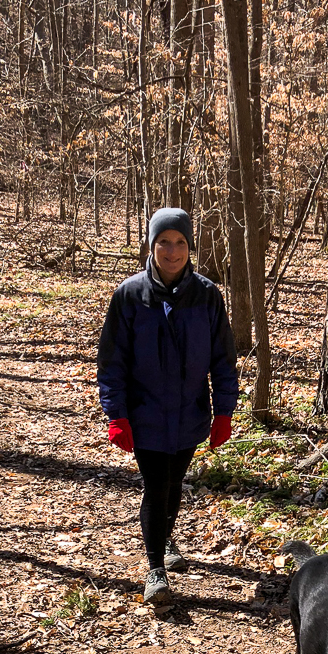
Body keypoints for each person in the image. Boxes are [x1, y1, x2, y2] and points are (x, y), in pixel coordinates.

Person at [97, 208, 239, 603]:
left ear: (190, 246)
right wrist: (117, 414)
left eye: (179, 242)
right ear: (151, 244)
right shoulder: (130, 295)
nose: (172, 251)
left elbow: (222, 359)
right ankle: (156, 566)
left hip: (191, 413)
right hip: (145, 416)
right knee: (156, 485)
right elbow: (112, 361)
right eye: (164, 242)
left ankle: (166, 537)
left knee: (175, 484)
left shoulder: (207, 295)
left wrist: (224, 411)